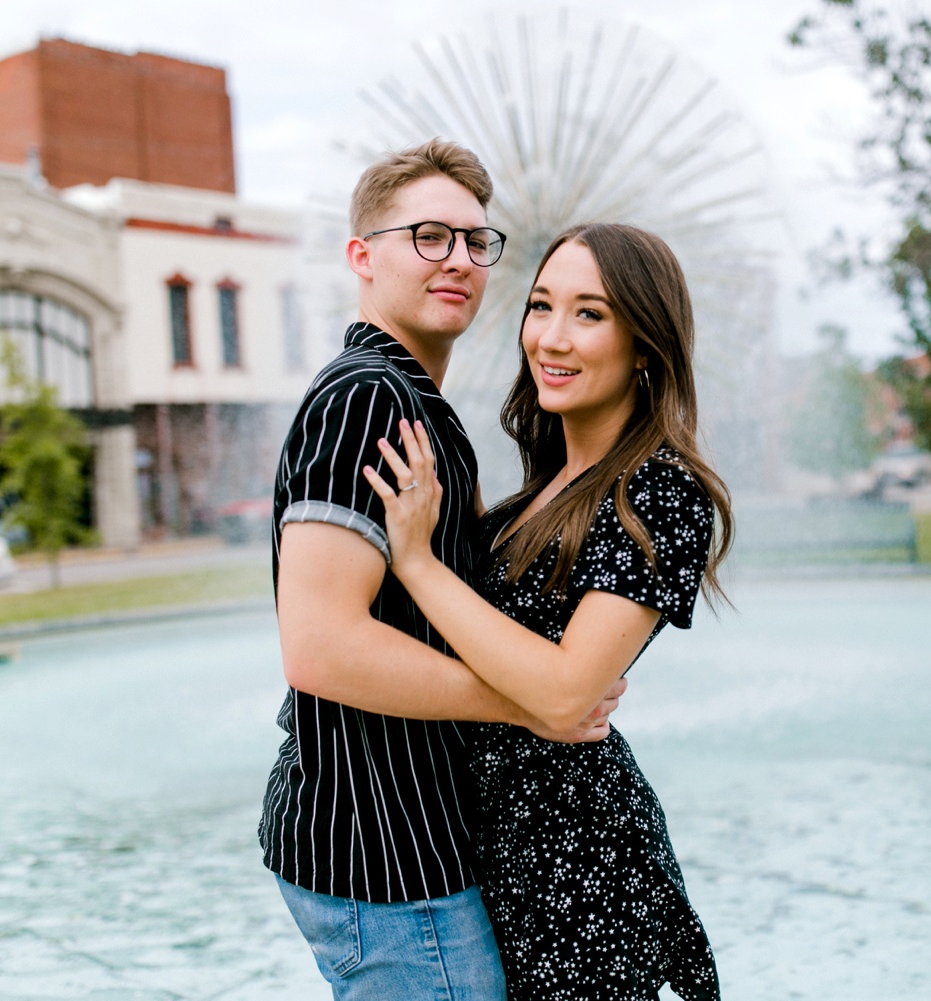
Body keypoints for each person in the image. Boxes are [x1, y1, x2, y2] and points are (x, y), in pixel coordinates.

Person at [260, 140, 626, 1000]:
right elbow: (319, 647)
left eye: (474, 240)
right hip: (387, 852)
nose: (459, 258)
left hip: (407, 838)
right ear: (362, 256)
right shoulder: (367, 397)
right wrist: (535, 701)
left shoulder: (417, 403)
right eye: (428, 236)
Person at [362, 222, 733, 1000]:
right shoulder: (536, 497)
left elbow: (566, 691)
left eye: (589, 313)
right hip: (501, 849)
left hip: (577, 865)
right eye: (540, 306)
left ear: (645, 344)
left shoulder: (660, 492)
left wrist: (421, 565)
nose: (551, 338)